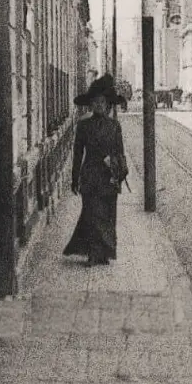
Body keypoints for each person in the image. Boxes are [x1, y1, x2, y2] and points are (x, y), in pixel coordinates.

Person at [63, 74, 128, 267]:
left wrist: (118, 169)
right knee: (91, 214)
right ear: (90, 105)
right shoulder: (83, 126)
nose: (99, 105)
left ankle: (104, 253)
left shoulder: (115, 126)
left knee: (107, 215)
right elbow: (77, 153)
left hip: (109, 177)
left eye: (102, 102)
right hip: (90, 175)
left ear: (108, 104)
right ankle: (92, 253)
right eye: (95, 102)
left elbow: (120, 152)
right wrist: (74, 180)